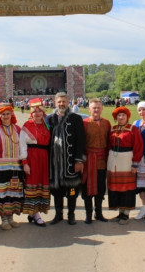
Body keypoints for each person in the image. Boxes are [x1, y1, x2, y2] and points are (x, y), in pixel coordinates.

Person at [47, 92, 86, 225]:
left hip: (70, 162)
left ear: (68, 102)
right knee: (56, 191)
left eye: (64, 101)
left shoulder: (76, 118)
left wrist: (79, 160)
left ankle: (71, 215)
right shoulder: (50, 119)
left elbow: (81, 141)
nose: (61, 104)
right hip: (55, 163)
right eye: (59, 102)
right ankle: (58, 215)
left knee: (72, 191)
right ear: (55, 102)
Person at [0, 103, 24, 230]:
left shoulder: (18, 129)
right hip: (0, 168)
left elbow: (23, 148)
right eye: (3, 114)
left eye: (8, 113)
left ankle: (11, 217)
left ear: (12, 114)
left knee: (13, 192)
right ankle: (3, 219)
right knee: (1, 193)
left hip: (15, 168)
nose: (6, 116)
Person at [107, 106, 143, 224]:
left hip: (127, 160)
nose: (121, 117)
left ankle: (126, 214)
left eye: (123, 115)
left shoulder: (133, 129)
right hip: (114, 160)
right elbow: (108, 145)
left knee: (127, 187)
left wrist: (135, 164)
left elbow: (138, 147)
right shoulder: (113, 129)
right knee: (116, 186)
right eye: (119, 115)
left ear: (127, 117)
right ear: (115, 117)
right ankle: (120, 212)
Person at [19, 98, 51, 227]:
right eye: (35, 111)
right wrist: (25, 162)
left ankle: (33, 213)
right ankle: (35, 213)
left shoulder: (47, 125)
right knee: (32, 184)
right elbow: (22, 146)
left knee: (42, 184)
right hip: (32, 158)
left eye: (40, 111)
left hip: (44, 158)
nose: (37, 114)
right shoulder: (27, 126)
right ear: (31, 113)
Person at [81, 98, 111, 224]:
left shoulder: (107, 123)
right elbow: (80, 143)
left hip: (102, 160)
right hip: (88, 160)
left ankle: (98, 213)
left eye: (98, 107)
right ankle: (88, 214)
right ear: (89, 109)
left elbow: (109, 142)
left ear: (102, 108)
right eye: (94, 108)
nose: (96, 110)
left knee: (100, 188)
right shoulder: (84, 123)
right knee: (87, 188)